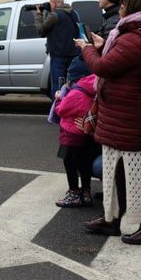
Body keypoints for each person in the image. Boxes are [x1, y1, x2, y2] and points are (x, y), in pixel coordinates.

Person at [76, 0, 141, 246]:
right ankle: (112, 219)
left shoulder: (137, 38)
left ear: (132, 9)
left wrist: (87, 50)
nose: (119, 10)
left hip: (132, 114)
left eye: (123, 6)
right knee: (116, 169)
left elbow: (103, 67)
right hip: (126, 113)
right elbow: (119, 63)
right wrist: (102, 47)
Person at [52, 60, 97, 208]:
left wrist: (58, 99)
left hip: (70, 136)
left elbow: (61, 110)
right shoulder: (93, 90)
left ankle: (73, 193)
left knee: (70, 164)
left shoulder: (75, 93)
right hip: (86, 136)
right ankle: (86, 193)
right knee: (85, 165)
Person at [35, 0, 80, 97]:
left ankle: (57, 106)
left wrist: (39, 15)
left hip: (58, 56)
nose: (49, 4)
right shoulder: (74, 13)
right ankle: (68, 105)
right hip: (73, 55)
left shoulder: (55, 15)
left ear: (54, 3)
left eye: (50, 2)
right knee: (71, 85)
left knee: (58, 87)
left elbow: (41, 31)